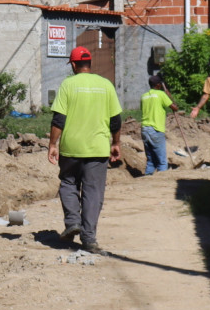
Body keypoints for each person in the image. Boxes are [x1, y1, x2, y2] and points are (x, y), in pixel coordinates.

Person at [47, 46, 122, 252]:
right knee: (93, 192)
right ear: (89, 63)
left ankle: (73, 222)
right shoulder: (106, 85)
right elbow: (115, 119)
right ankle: (89, 240)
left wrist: (53, 144)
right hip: (98, 150)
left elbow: (58, 119)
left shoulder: (68, 85)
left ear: (73, 64)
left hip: (71, 148)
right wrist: (115, 143)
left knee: (68, 183)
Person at [139, 71, 174, 176]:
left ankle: (147, 178)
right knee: (162, 161)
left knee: (150, 160)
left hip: (145, 129)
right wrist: (168, 94)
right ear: (158, 85)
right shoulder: (161, 94)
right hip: (156, 129)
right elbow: (175, 107)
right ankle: (162, 181)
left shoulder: (143, 96)